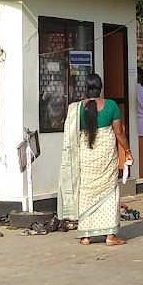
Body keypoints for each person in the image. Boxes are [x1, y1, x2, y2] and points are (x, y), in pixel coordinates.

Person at [58, 73, 129, 246]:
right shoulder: (111, 105)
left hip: (86, 158)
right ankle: (110, 237)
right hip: (105, 158)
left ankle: (85, 236)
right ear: (100, 87)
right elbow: (119, 132)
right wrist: (127, 151)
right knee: (110, 192)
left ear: (86, 88)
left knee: (86, 192)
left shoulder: (76, 109)